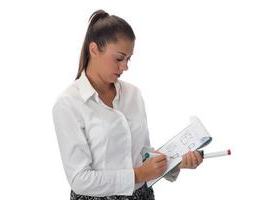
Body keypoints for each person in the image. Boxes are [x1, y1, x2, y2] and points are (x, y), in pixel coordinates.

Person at [52, 9, 203, 200]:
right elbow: (80, 179)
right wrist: (139, 174)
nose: (125, 66)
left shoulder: (133, 94)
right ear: (94, 49)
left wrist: (176, 161)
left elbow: (143, 153)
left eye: (128, 58)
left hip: (143, 195)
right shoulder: (68, 103)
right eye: (119, 58)